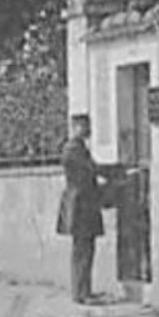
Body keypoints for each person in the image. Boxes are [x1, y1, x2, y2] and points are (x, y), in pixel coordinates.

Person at [57, 114, 117, 304]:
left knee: (84, 249)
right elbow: (91, 169)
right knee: (83, 249)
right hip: (80, 204)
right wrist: (115, 172)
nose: (87, 130)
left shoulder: (78, 148)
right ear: (75, 128)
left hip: (83, 203)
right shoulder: (73, 149)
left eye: (87, 126)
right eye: (83, 126)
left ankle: (84, 291)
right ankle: (81, 294)